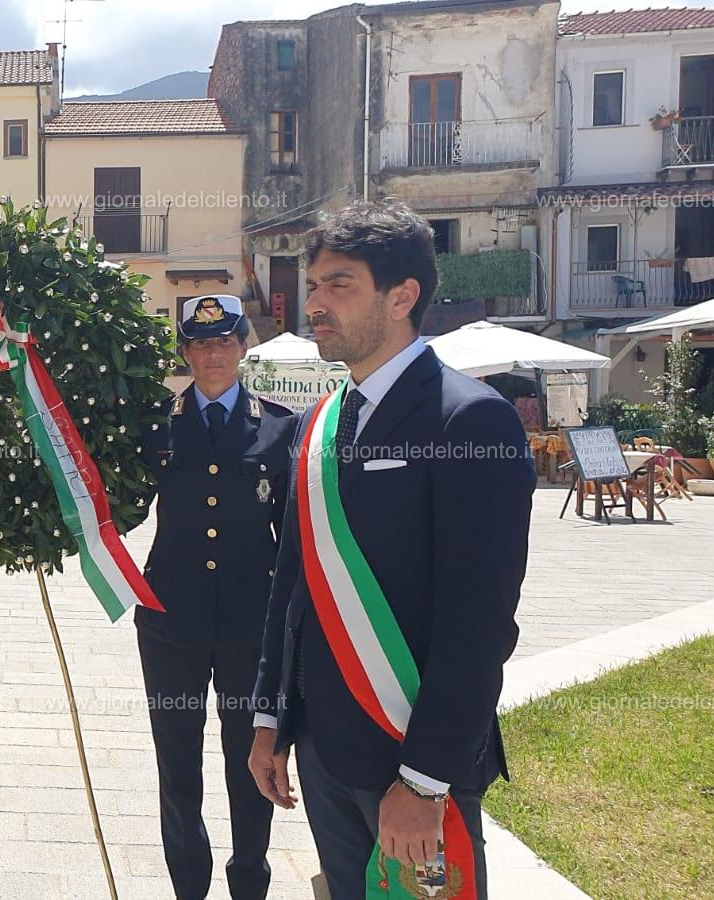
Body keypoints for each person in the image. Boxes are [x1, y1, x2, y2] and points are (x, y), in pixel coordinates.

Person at [248, 199, 535, 898]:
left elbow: (480, 622)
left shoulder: (470, 418)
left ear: (403, 295)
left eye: (339, 285)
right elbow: (293, 585)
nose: (315, 304)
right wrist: (268, 720)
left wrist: (425, 779)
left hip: (412, 760)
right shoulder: (319, 424)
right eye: (313, 286)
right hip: (324, 753)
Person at [136, 294, 298, 899]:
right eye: (200, 343)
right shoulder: (158, 425)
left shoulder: (281, 427)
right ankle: (188, 884)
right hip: (170, 623)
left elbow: (292, 540)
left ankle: (250, 879)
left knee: (251, 758)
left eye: (224, 341)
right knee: (177, 762)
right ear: (185, 352)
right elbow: (120, 510)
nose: (212, 353)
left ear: (244, 347)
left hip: (249, 630)